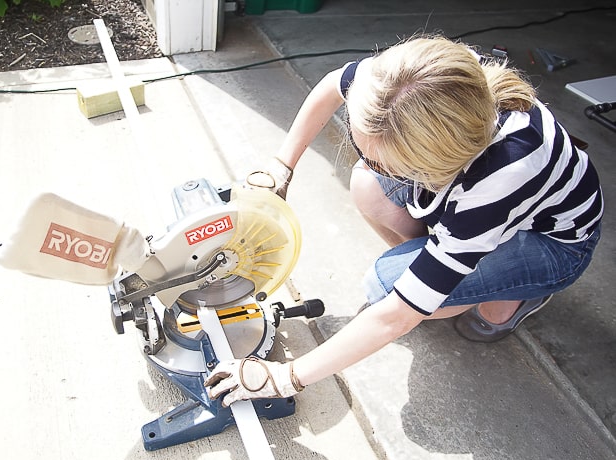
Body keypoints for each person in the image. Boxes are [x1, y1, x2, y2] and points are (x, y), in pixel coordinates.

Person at [204, 35, 603, 406]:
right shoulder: (414, 81)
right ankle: (441, 269)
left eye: (385, 161)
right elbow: (332, 86)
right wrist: (281, 166)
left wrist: (283, 377)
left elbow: (394, 317)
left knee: (387, 288)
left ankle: (515, 297)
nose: (366, 159)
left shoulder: (495, 183)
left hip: (552, 241)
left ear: (434, 163)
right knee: (365, 183)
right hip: (485, 205)